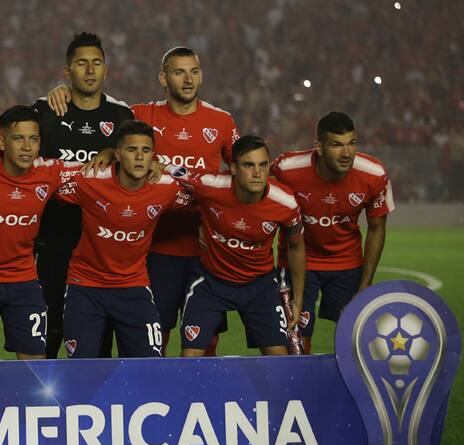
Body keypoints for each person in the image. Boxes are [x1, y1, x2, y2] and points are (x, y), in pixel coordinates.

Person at [45, 46, 238, 355]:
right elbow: (111, 127)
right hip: (155, 253)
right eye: (179, 72)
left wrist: (217, 217)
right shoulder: (140, 114)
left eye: (194, 71)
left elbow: (238, 177)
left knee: (206, 337)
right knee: (153, 338)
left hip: (205, 251)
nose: (188, 80)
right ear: (163, 78)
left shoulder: (222, 121)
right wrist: (65, 94)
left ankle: (200, 397)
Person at [0, 105, 81, 361]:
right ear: (1, 142)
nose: (27, 147)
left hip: (23, 280)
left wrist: (109, 153)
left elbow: (96, 172)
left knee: (35, 364)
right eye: (18, 139)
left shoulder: (50, 171)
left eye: (34, 139)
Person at [33, 32, 134, 358]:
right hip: (52, 239)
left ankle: (93, 404)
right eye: (81, 63)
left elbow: (137, 161)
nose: (90, 70)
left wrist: (112, 151)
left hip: (101, 246)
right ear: (67, 71)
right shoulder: (44, 112)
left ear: (106, 70)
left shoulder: (121, 117)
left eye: (96, 63)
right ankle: (39, 403)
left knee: (96, 340)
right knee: (49, 332)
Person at [56, 120, 192, 358]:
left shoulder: (165, 187)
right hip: (86, 285)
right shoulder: (91, 178)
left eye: (146, 151)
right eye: (131, 150)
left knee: (150, 365)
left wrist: (168, 167)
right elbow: (46, 181)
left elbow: (202, 191)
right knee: (80, 367)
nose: (139, 157)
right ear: (118, 154)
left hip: (133, 286)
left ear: (154, 156)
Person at [171, 135, 306, 357]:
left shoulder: (285, 202)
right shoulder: (211, 185)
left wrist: (297, 300)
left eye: (263, 165)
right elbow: (174, 171)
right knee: (189, 358)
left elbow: (296, 247)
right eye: (248, 165)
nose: (257, 173)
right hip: (211, 282)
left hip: (260, 285)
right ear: (233, 168)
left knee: (279, 358)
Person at [271, 112, 394, 353]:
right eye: (337, 145)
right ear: (319, 146)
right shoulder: (287, 169)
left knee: (353, 339)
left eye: (352, 143)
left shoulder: (374, 174)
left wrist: (366, 283)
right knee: (296, 339)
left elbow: (377, 228)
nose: (347, 153)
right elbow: (260, 197)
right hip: (298, 262)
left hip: (346, 263)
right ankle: (299, 389)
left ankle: (343, 390)